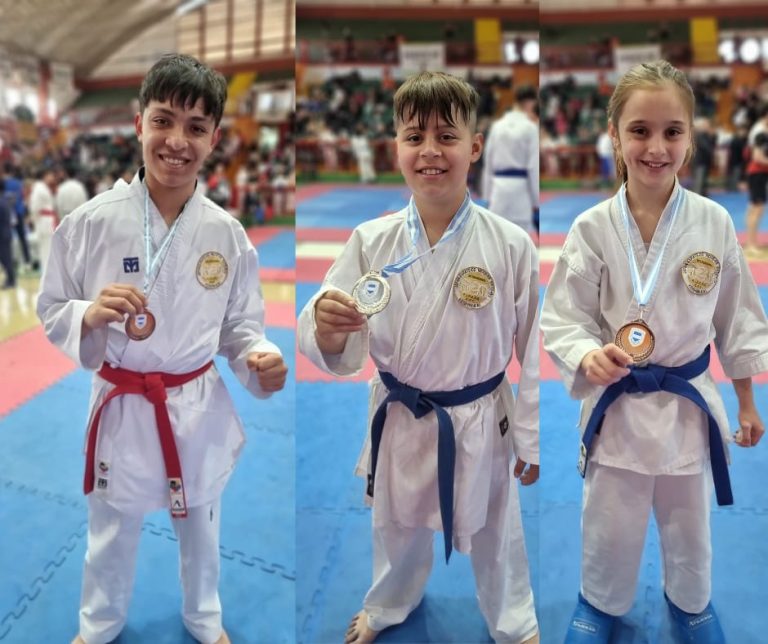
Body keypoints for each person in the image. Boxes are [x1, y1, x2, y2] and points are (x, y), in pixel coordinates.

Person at [36, 53, 288, 644]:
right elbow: (51, 307)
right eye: (164, 120)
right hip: (123, 401)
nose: (177, 141)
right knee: (111, 528)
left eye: (196, 128)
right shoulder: (90, 221)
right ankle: (98, 625)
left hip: (193, 403)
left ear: (215, 138)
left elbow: (241, 327)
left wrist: (259, 358)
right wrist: (86, 314)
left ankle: (204, 617)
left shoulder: (226, 233)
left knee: (201, 524)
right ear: (138, 123)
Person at [298, 71, 540, 644]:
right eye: (414, 136)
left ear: (474, 147)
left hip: (480, 415)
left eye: (447, 137)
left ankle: (514, 621)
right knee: (395, 523)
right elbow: (324, 321)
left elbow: (533, 348)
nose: (430, 151)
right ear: (396, 149)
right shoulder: (369, 239)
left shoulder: (511, 244)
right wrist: (328, 329)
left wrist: (528, 438)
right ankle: (388, 604)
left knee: (495, 529)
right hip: (400, 413)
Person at [540, 60, 768, 643]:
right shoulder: (592, 228)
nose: (656, 146)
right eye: (639, 130)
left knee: (689, 522)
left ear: (691, 139)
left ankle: (691, 602)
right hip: (617, 407)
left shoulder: (714, 223)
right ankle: (599, 602)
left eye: (672, 131)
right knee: (610, 520)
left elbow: (736, 320)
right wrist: (587, 355)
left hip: (688, 409)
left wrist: (746, 404)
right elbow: (565, 316)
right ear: (614, 135)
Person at [481, 84, 539, 233]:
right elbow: (533, 167)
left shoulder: (497, 126)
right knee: (522, 238)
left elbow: (488, 163)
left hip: (498, 188)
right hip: (521, 189)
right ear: (530, 103)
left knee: (497, 237)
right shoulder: (530, 128)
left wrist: (486, 197)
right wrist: (536, 201)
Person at [744, 105, 768, 259]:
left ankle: (751, 242)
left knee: (755, 208)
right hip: (757, 173)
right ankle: (751, 244)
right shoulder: (760, 132)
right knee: (757, 209)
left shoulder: (762, 130)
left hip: (759, 173)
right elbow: (757, 157)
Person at [29, 167, 58, 274]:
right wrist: (35, 220)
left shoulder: (43, 188)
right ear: (45, 175)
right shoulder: (39, 188)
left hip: (47, 220)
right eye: (50, 175)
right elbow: (34, 208)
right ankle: (46, 275)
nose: (52, 177)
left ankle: (48, 274)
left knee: (48, 250)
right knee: (45, 251)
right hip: (44, 222)